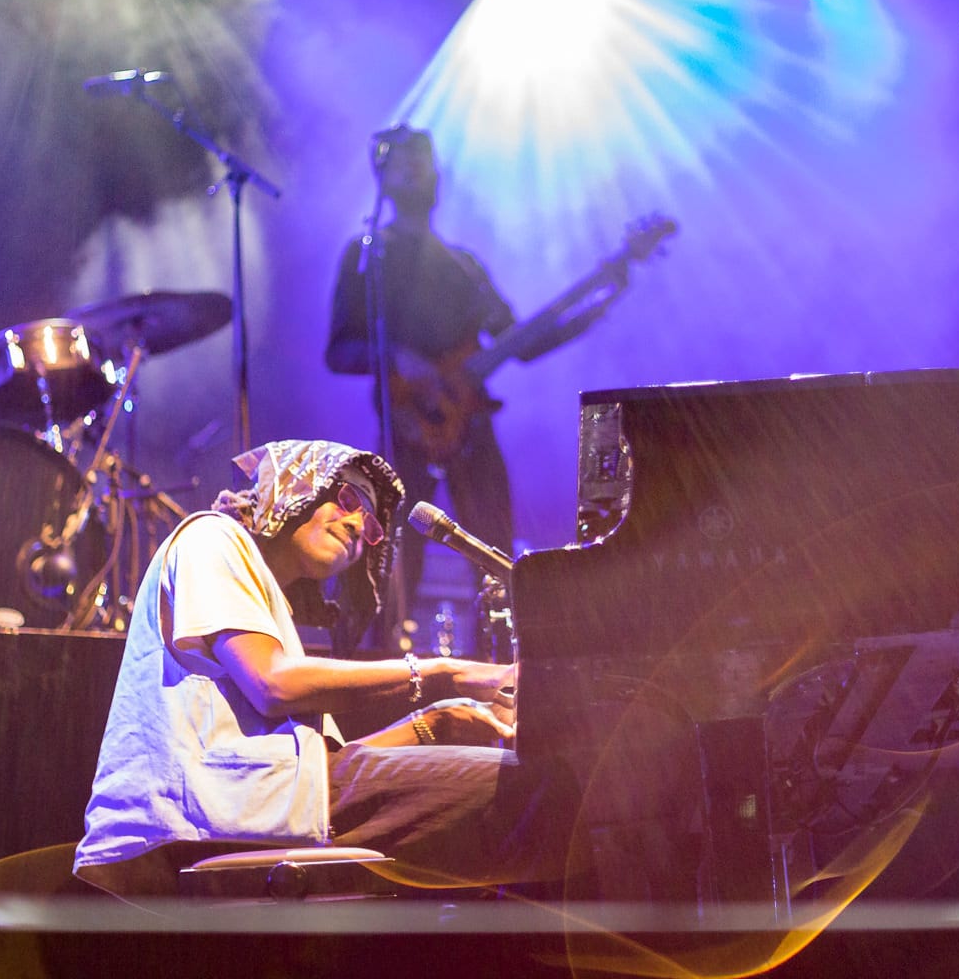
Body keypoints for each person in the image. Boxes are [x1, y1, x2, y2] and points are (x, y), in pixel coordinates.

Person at [73, 438, 580, 899]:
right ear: (296, 486)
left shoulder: (273, 617)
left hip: (264, 803)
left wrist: (437, 723)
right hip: (188, 825)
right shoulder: (211, 538)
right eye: (348, 497)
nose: (359, 524)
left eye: (373, 525)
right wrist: (446, 673)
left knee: (534, 818)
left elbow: (324, 765)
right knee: (562, 797)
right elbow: (273, 685)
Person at [326, 127, 561, 649]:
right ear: (383, 177)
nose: (416, 169)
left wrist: (600, 298)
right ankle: (380, 671)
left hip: (471, 427)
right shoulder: (367, 256)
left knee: (494, 556)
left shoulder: (463, 266)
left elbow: (521, 342)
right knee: (391, 563)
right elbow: (337, 352)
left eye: (424, 160)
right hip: (406, 429)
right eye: (403, 161)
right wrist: (393, 355)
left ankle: (500, 672)